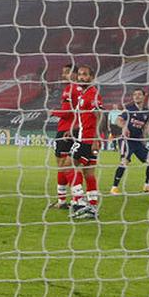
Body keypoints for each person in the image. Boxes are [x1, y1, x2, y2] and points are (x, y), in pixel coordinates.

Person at [68, 65, 104, 220]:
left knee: (69, 164)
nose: (81, 77)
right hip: (87, 137)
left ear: (92, 77)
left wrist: (96, 139)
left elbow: (100, 116)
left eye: (85, 75)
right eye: (80, 75)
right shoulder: (84, 94)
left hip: (88, 139)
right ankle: (92, 207)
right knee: (89, 172)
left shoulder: (93, 94)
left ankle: (78, 200)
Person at [111, 88, 149, 195]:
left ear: (144, 96)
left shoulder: (147, 112)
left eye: (139, 94)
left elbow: (145, 128)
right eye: (134, 95)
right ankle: (114, 187)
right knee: (124, 162)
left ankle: (147, 187)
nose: (136, 96)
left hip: (138, 142)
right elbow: (118, 120)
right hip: (126, 140)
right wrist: (124, 127)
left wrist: (145, 138)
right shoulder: (129, 109)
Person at [49, 64, 82, 210]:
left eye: (67, 72)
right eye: (63, 72)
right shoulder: (81, 90)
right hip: (76, 129)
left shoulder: (70, 89)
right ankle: (65, 200)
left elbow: (67, 112)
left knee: (64, 166)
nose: (64, 75)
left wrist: (53, 112)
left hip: (65, 130)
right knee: (67, 166)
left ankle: (75, 200)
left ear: (75, 74)